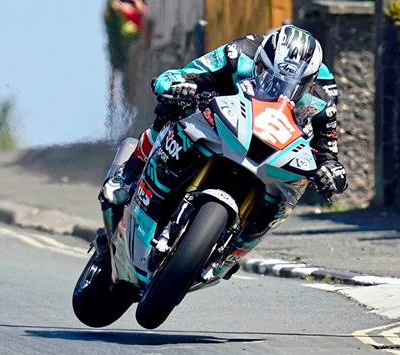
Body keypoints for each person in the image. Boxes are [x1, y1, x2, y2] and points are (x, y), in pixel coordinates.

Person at [96, 25, 348, 258]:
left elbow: (328, 150)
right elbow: (180, 75)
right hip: (222, 121)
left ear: (310, 82)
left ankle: (234, 248)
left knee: (291, 188)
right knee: (172, 108)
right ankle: (130, 172)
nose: (277, 88)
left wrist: (330, 170)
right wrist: (178, 86)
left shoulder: (322, 96)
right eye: (267, 75)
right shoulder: (239, 53)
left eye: (293, 86)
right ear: (259, 60)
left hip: (272, 149)